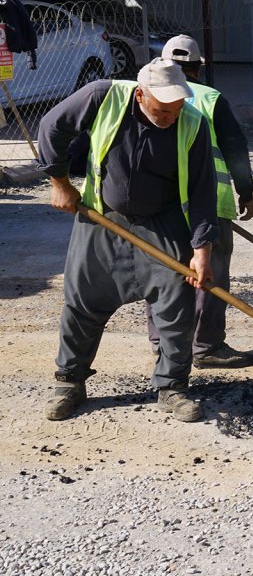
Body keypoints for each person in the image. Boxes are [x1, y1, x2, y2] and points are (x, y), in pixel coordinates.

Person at [37, 58, 219, 422]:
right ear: (140, 95)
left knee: (176, 303)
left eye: (176, 108)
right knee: (82, 301)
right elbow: (51, 126)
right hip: (103, 217)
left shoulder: (192, 122)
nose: (170, 116)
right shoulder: (102, 96)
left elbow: (203, 191)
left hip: (163, 222)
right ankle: (70, 382)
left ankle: (172, 386)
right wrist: (60, 184)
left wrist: (201, 252)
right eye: (162, 110)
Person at [144, 34, 253, 368]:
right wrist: (245, 190)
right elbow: (235, 146)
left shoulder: (143, 95)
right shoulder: (210, 98)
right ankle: (206, 346)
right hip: (209, 206)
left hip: (160, 207)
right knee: (211, 272)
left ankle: (162, 345)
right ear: (197, 67)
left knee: (162, 274)